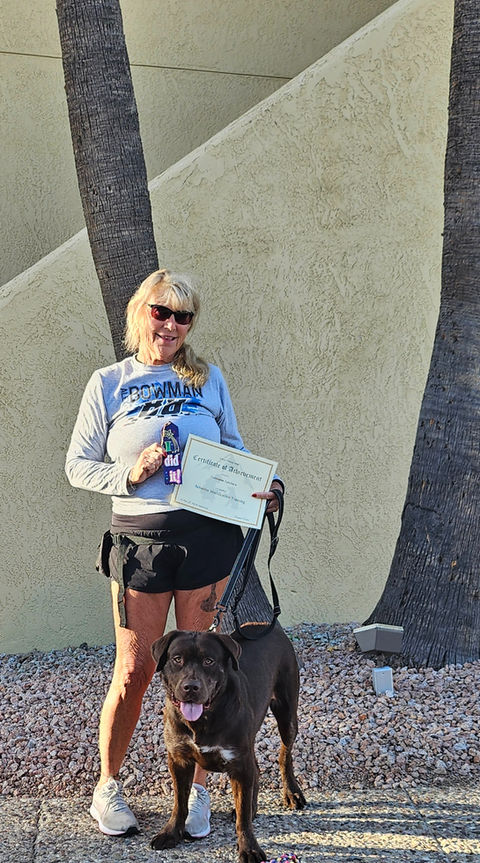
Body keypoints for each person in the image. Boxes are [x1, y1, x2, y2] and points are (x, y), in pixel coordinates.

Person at [65, 268, 283, 839]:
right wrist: (129, 474)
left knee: (206, 665)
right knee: (136, 669)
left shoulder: (206, 378)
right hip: (140, 544)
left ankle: (199, 794)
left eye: (183, 316)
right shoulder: (109, 382)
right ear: (141, 313)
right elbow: (77, 465)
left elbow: (233, 449)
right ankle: (108, 786)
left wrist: (261, 485)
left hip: (207, 540)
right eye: (161, 312)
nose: (171, 325)